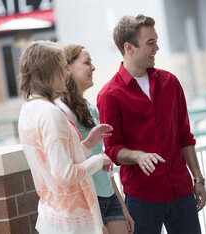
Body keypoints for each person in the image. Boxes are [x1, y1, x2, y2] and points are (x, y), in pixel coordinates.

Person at [97, 14, 206, 234]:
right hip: (142, 198)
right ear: (129, 48)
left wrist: (198, 178)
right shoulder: (109, 95)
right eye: (150, 42)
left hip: (182, 191)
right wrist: (138, 155)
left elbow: (185, 135)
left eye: (156, 40)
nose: (157, 47)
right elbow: (113, 148)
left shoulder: (170, 82)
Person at [18, 40, 113, 234]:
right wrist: (98, 159)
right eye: (63, 68)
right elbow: (65, 175)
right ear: (48, 70)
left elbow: (55, 161)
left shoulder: (28, 109)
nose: (67, 72)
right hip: (73, 223)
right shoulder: (50, 113)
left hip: (53, 217)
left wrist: (86, 145)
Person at [56, 44, 135, 234]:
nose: (93, 67)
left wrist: (122, 205)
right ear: (68, 68)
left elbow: (103, 159)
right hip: (87, 200)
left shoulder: (91, 109)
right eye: (87, 63)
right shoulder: (59, 112)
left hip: (109, 196)